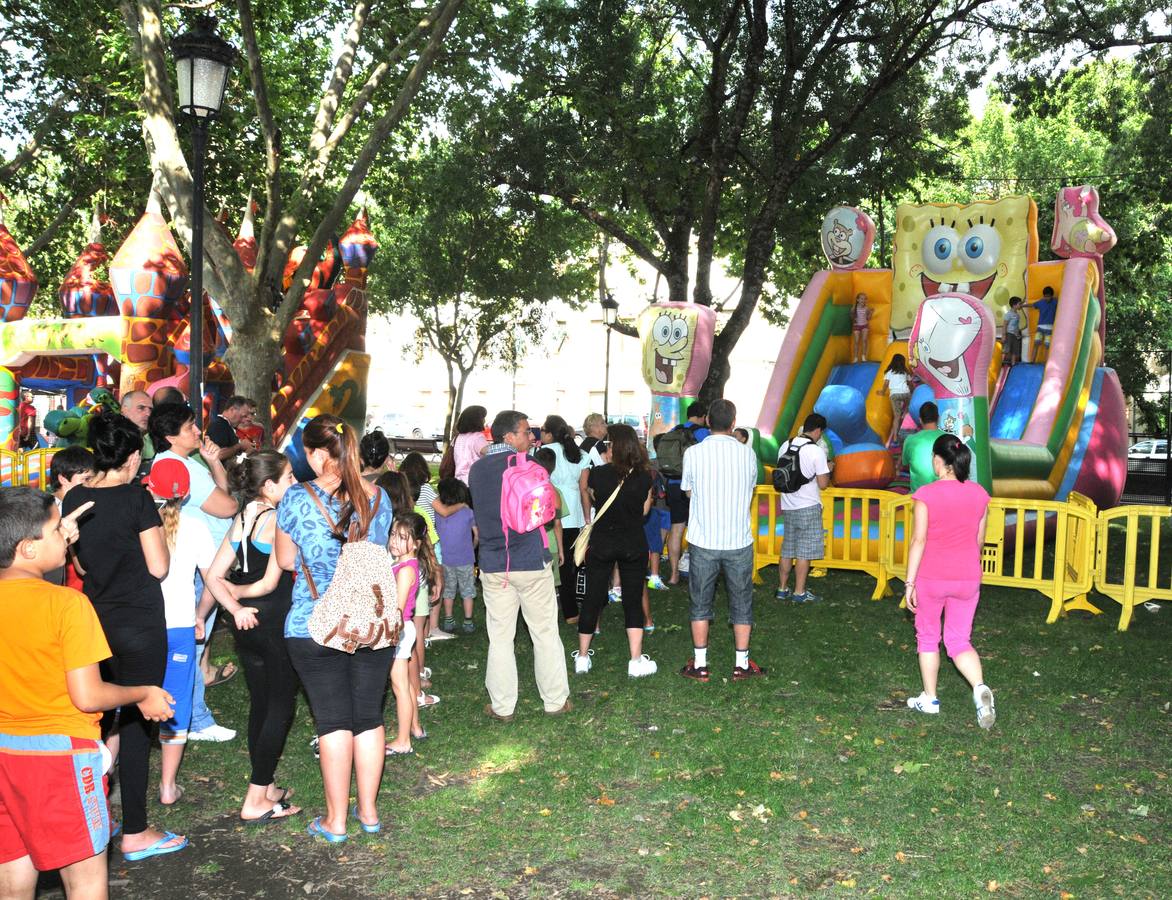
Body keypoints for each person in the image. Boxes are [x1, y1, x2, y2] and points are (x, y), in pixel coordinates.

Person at [0, 487, 177, 891]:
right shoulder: (68, 606)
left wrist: (61, 545)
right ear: (28, 548)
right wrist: (142, 692)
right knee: (85, 882)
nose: (67, 533)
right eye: (56, 529)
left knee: (11, 879)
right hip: (58, 757)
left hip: (5, 753)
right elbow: (88, 696)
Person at [61, 413, 184, 860]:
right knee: (136, 723)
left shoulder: (75, 496)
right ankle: (135, 830)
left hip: (93, 620)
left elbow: (81, 567)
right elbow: (159, 567)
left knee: (94, 716)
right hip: (138, 624)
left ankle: (91, 813)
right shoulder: (136, 499)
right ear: (133, 457)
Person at [275, 414, 394, 843]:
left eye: (307, 452)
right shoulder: (379, 497)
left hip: (314, 623)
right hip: (369, 621)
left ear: (320, 453)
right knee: (367, 716)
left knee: (333, 721)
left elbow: (288, 561)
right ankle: (369, 811)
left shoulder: (296, 499)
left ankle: (335, 821)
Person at [201, 449, 302, 824]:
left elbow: (213, 576)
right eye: (289, 478)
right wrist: (241, 599)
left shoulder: (244, 515)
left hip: (247, 628)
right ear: (270, 485)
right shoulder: (278, 519)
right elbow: (269, 582)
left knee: (261, 702)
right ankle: (256, 798)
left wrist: (233, 607)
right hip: (275, 622)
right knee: (280, 705)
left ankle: (266, 784)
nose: (294, 484)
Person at [468, 410, 571, 722]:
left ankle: (502, 707)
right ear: (508, 436)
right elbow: (549, 511)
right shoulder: (533, 467)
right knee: (545, 633)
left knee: (500, 636)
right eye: (526, 432)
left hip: (494, 563)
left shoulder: (477, 471)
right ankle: (554, 701)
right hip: (530, 560)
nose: (531, 437)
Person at [149, 402, 239, 742]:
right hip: (199, 565)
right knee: (192, 646)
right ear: (171, 436)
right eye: (189, 428)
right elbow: (229, 505)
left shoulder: (186, 462)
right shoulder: (175, 466)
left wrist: (214, 461)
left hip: (204, 558)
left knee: (195, 645)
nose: (198, 432)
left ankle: (189, 713)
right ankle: (195, 719)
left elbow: (225, 497)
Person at [903, 434, 996, 730]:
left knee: (928, 637)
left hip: (932, 576)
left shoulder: (926, 495)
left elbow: (918, 541)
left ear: (939, 461)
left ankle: (929, 699)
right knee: (959, 641)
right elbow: (979, 540)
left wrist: (909, 583)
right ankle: (980, 688)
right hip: (967, 576)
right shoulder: (980, 494)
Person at [677, 399, 762, 682]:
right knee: (742, 602)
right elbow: (750, 489)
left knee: (700, 602)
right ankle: (742, 663)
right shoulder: (747, 454)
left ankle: (700, 664)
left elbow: (687, 491)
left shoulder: (693, 453)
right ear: (733, 422)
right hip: (738, 539)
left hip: (704, 539)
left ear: (708, 421)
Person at [146, 458, 213, 808]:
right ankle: (168, 786)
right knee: (175, 701)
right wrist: (201, 614)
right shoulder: (197, 527)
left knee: (129, 699)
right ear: (185, 495)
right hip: (181, 626)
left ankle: (107, 777)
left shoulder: (137, 524)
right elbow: (214, 580)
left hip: (142, 626)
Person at [574, 424, 657, 677]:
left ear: (614, 446)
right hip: (633, 543)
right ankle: (635, 660)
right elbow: (644, 512)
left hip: (602, 543)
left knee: (592, 597)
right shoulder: (645, 476)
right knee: (632, 600)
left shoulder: (598, 474)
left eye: (609, 443)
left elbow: (589, 494)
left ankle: (582, 657)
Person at [384, 512, 434, 758]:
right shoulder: (404, 564)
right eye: (393, 534)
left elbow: (399, 609)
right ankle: (414, 728)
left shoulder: (405, 570)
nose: (395, 541)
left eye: (403, 537)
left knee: (400, 686)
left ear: (415, 544)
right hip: (404, 630)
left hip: (399, 630)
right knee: (405, 685)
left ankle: (403, 740)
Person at [774, 413, 832, 604]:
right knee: (804, 552)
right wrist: (828, 468)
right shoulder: (816, 451)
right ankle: (799, 592)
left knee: (787, 548)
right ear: (817, 430)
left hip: (788, 504)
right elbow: (823, 484)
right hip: (808, 505)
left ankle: (782, 589)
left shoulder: (785, 445)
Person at [540, 415, 590, 623]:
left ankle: (550, 607)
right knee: (569, 564)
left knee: (549, 562)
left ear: (550, 433)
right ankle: (571, 611)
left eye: (542, 430)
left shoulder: (543, 453)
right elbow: (584, 488)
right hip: (575, 514)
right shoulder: (581, 454)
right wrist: (587, 518)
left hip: (550, 510)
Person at [656, 402, 709, 586]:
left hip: (673, 484)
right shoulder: (702, 433)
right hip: (694, 487)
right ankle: (695, 571)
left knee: (676, 529)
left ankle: (673, 575)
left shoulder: (674, 430)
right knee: (699, 529)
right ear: (703, 416)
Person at [46, 447, 95, 589]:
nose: (91, 484)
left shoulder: (82, 503)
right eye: (86, 479)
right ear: (63, 479)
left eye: (93, 478)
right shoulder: (48, 509)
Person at [434, 477, 478, 634]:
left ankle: (448, 619)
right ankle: (467, 621)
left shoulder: (438, 513)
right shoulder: (468, 512)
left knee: (448, 590)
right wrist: (472, 547)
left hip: (445, 559)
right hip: (465, 558)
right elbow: (477, 534)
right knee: (467, 590)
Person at [901, 401, 941, 493]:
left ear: (920, 419)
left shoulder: (910, 440)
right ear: (938, 418)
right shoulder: (950, 439)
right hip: (943, 498)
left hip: (917, 498)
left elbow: (905, 464)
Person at [205, 395, 258, 462]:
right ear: (232, 410)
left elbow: (236, 460)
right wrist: (240, 446)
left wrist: (246, 452)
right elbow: (217, 455)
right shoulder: (218, 425)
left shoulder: (228, 426)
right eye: (242, 416)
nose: (243, 420)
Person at [877, 354, 912, 447]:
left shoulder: (889, 372)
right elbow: (910, 384)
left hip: (895, 395)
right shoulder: (905, 372)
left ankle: (895, 437)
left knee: (896, 417)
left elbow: (886, 384)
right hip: (905, 393)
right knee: (909, 402)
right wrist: (912, 392)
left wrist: (882, 392)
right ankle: (905, 413)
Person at [452, 406, 490, 485]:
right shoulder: (477, 437)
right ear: (477, 420)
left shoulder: (459, 436)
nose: (484, 420)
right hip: (475, 482)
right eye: (483, 417)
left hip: (459, 481)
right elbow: (489, 453)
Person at [120, 389, 155, 467]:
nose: (148, 414)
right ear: (124, 410)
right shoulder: (111, 441)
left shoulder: (155, 440)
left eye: (150, 409)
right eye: (141, 408)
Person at [1027, 285, 1058, 362]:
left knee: (1047, 346)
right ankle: (1032, 361)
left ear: (1052, 296)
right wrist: (1022, 305)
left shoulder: (1055, 301)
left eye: (1048, 296)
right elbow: (1032, 305)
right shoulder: (1041, 302)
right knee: (1036, 344)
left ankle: (1047, 362)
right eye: (1045, 296)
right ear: (1043, 296)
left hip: (1049, 328)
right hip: (1040, 328)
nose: (1047, 298)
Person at [1003, 297, 1025, 367]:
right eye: (1019, 304)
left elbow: (1016, 326)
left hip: (1015, 334)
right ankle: (1003, 361)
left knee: (1014, 350)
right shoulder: (1009, 314)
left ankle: (1013, 363)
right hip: (1009, 334)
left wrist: (1018, 334)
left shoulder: (1017, 315)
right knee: (1007, 348)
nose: (1021, 305)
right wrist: (1004, 335)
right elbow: (1005, 324)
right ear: (1014, 305)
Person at [852, 292, 873, 363]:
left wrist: (871, 313)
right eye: (861, 299)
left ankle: (863, 356)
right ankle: (855, 357)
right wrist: (853, 317)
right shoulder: (854, 308)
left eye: (864, 299)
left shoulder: (866, 308)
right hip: (857, 326)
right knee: (856, 341)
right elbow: (852, 316)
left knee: (864, 340)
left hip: (864, 326)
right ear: (857, 300)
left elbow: (868, 318)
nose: (863, 300)